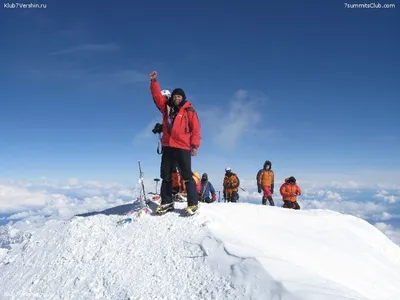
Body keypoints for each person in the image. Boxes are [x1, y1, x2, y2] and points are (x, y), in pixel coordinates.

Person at [149, 71, 201, 215]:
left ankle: (193, 203)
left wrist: (195, 145)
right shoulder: (166, 108)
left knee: (186, 176)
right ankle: (167, 202)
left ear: (183, 98)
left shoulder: (189, 111)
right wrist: (154, 82)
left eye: (179, 96)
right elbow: (157, 97)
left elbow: (196, 129)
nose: (177, 98)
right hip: (167, 147)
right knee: (166, 175)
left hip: (183, 147)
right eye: (175, 96)